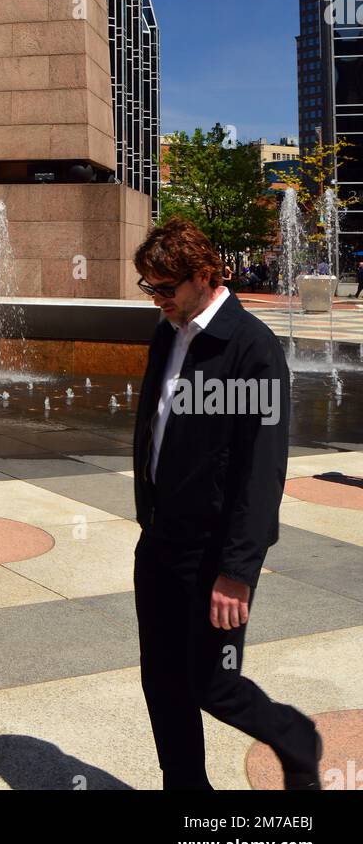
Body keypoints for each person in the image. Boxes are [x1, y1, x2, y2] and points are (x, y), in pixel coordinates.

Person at [132, 217, 321, 791]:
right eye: (150, 288)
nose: (158, 300)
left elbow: (262, 470)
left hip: (214, 551)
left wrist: (237, 570)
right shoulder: (169, 330)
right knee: (162, 681)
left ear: (205, 275)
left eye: (167, 288)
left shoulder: (251, 347)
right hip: (160, 538)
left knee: (213, 683)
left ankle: (293, 735)